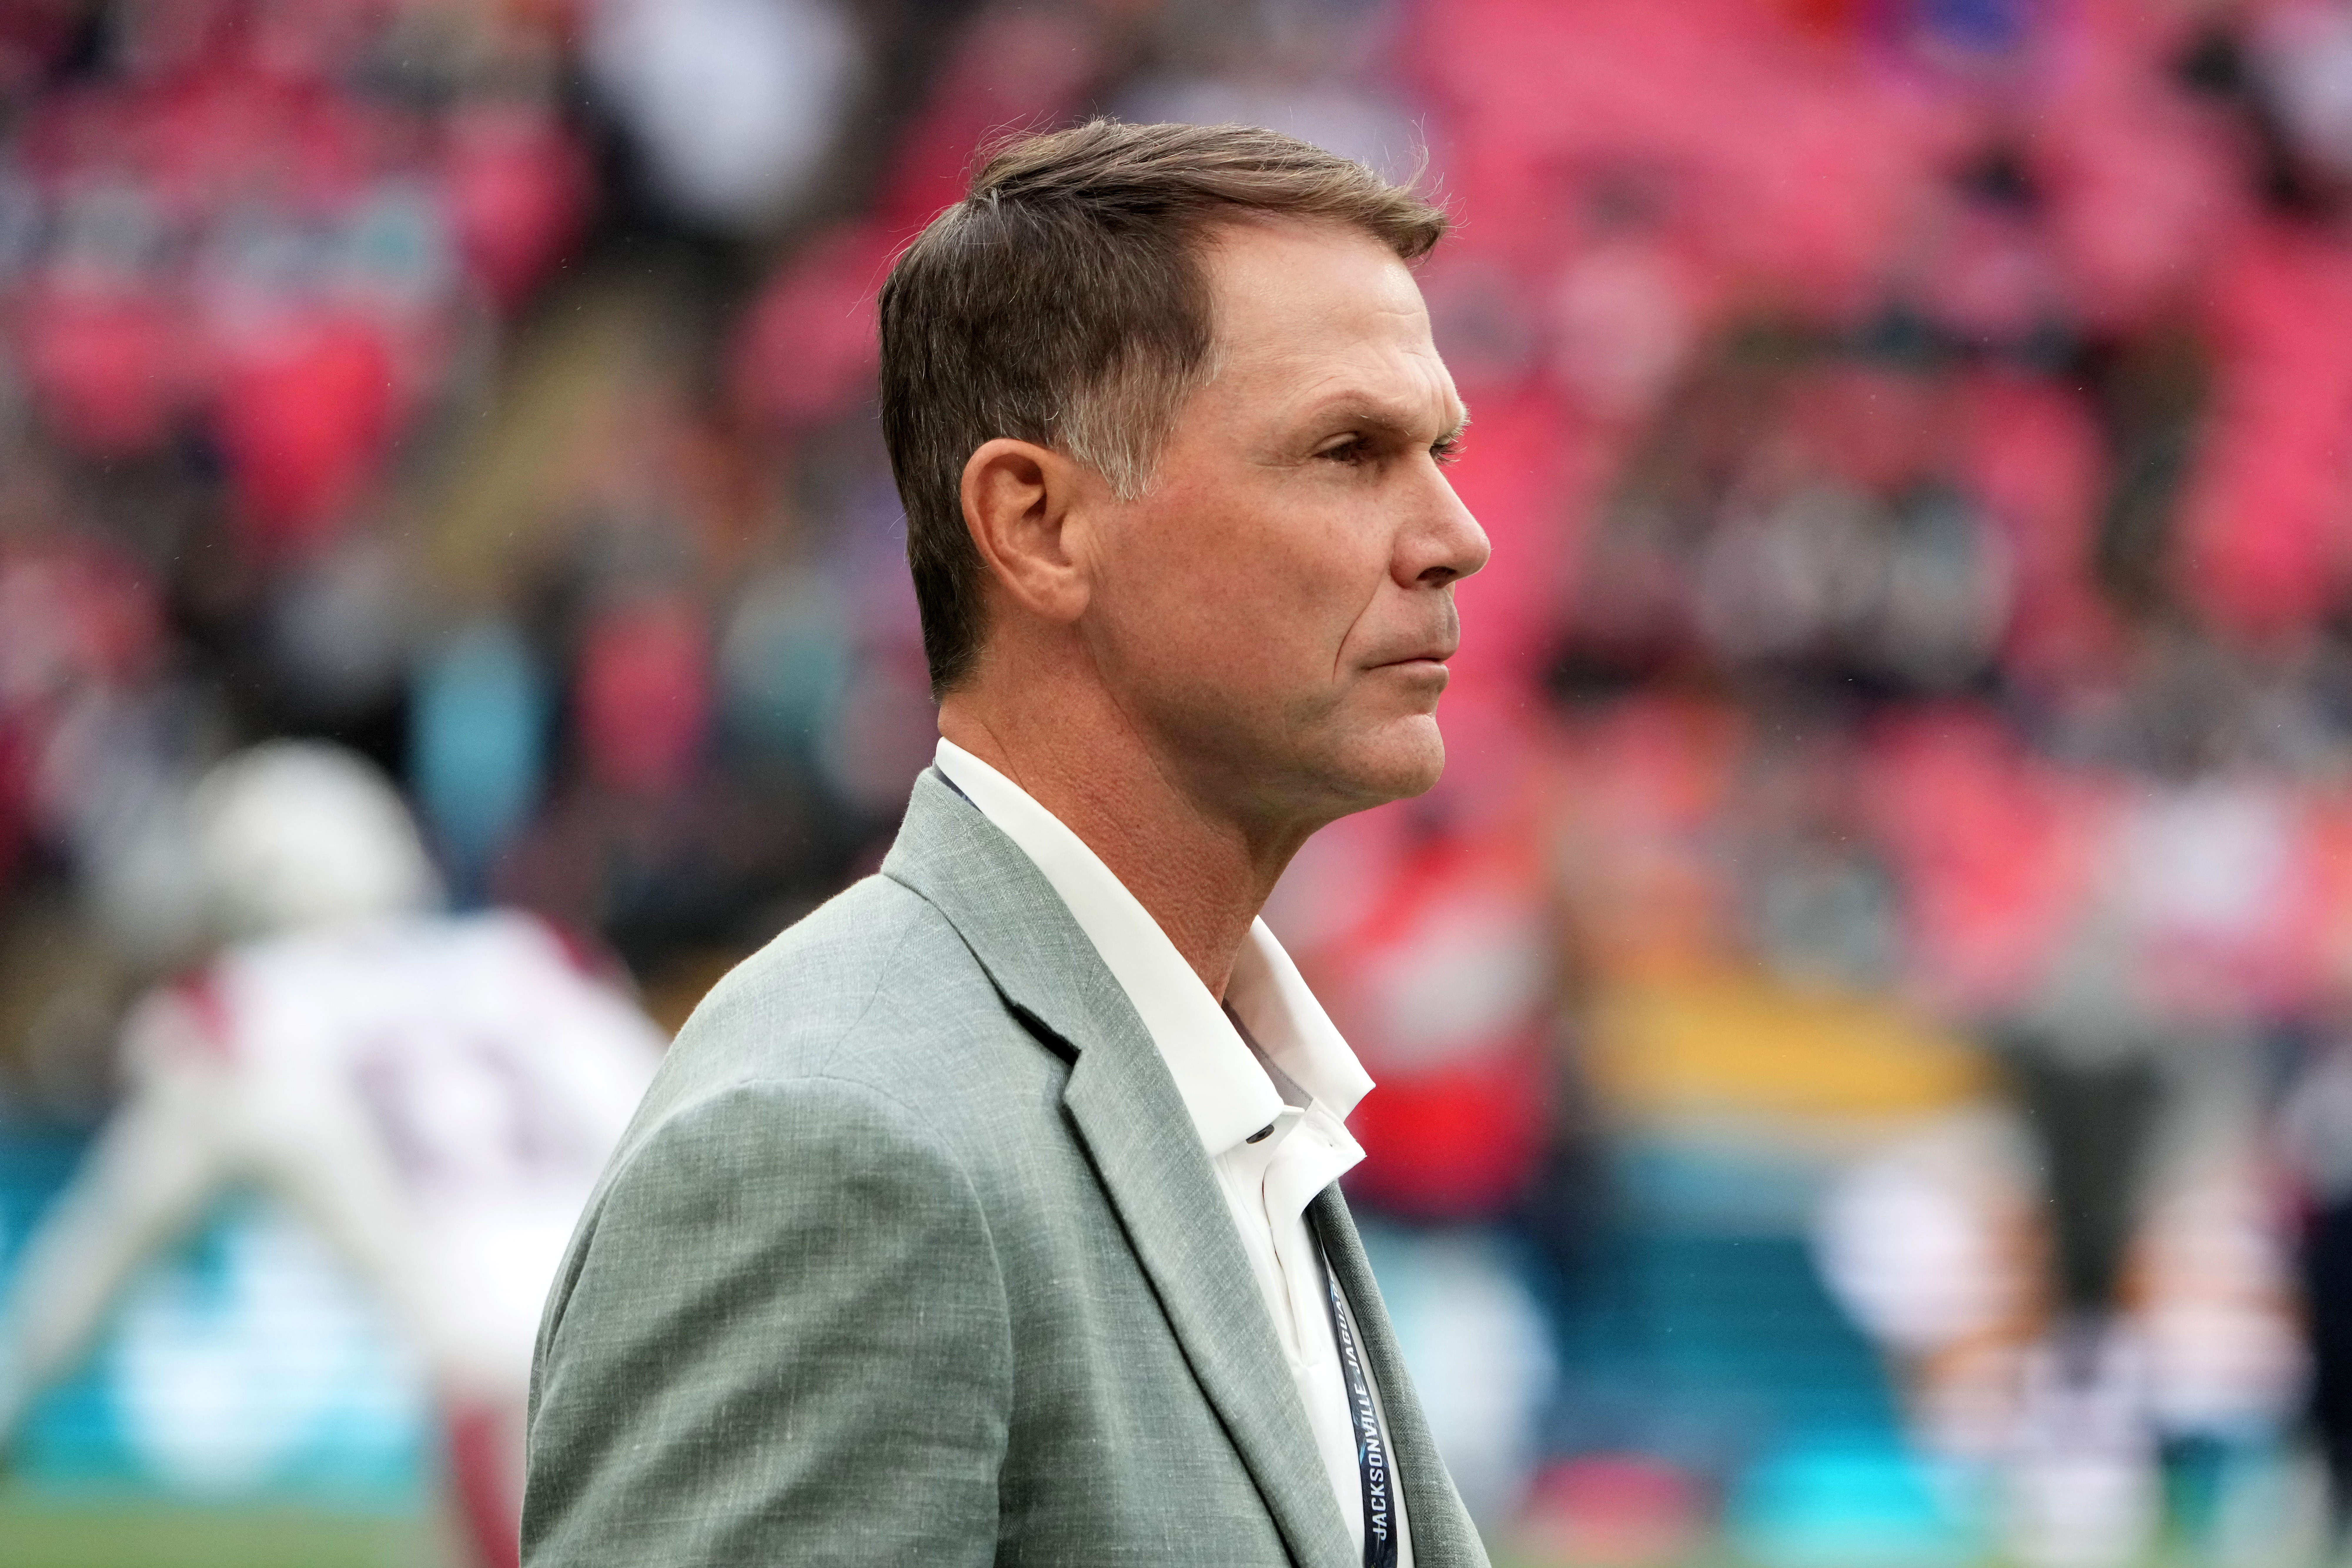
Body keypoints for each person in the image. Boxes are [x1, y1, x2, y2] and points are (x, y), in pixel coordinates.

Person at [524, 120, 1494, 1567]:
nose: (1457, 534)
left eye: (1440, 450)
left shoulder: (1218, 1089)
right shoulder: (838, 1138)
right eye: (1349, 451)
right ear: (1036, 524)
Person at [0, 742, 665, 1568]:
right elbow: (681, 1125)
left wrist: (17, 1397)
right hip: (675, 1343)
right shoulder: (539, 962)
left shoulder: (239, 1015)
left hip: (507, 1389)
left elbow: (112, 1242)